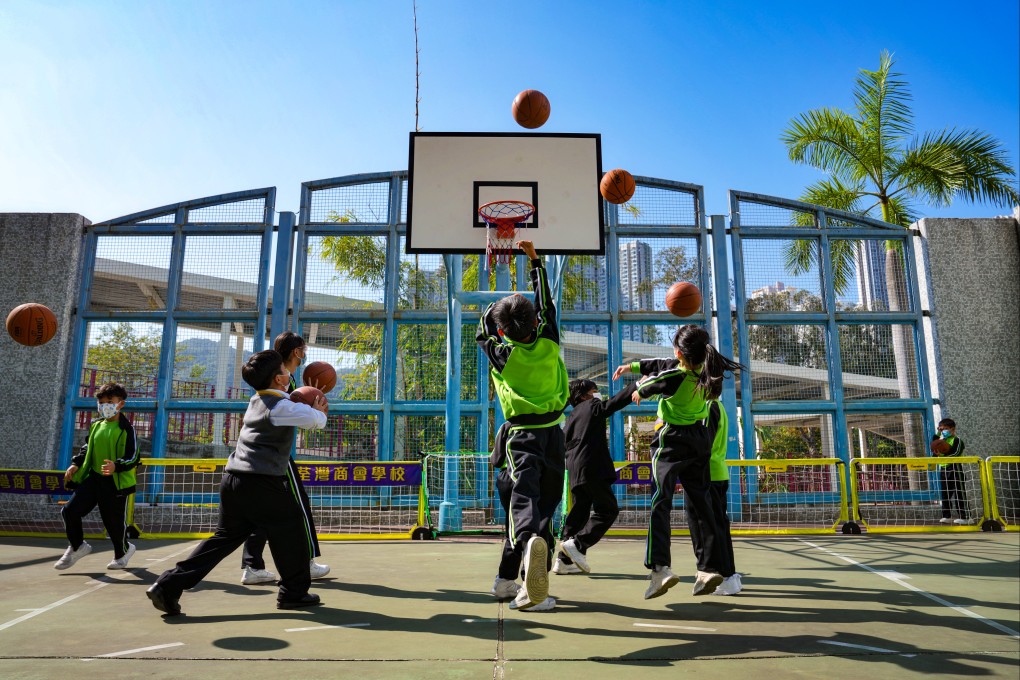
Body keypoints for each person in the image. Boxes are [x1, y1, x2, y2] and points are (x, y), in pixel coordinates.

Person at [146, 350, 328, 616]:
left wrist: (306, 393)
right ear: (279, 379)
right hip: (261, 483)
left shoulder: (257, 399)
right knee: (292, 530)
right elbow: (315, 421)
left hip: (233, 480)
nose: (290, 374)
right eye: (286, 371)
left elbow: (291, 401)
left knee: (224, 538)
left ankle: (169, 584)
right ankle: (294, 593)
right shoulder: (281, 407)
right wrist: (319, 408)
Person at [612, 324, 742, 600]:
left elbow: (650, 383)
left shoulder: (674, 376)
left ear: (680, 353)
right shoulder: (708, 371)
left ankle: (660, 568)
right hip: (698, 441)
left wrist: (639, 390)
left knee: (661, 501)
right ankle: (707, 568)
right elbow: (660, 364)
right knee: (702, 504)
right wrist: (632, 366)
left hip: (672, 439)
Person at [477, 239, 569, 611]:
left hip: (520, 437)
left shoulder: (501, 354)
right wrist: (535, 260)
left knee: (523, 510)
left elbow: (483, 330)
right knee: (544, 510)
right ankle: (510, 580)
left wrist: (495, 310)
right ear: (535, 323)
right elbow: (546, 303)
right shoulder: (549, 340)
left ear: (502, 332)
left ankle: (520, 579)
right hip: (554, 436)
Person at [240, 331, 330, 585]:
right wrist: (313, 405)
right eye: (303, 348)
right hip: (272, 459)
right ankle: (306, 562)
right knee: (298, 506)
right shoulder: (281, 381)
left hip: (252, 458)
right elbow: (303, 416)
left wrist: (309, 395)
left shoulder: (277, 378)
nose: (306, 354)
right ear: (296, 352)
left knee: (255, 516)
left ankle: (252, 565)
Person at [554, 378, 636, 575]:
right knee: (607, 510)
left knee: (579, 512)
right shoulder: (591, 406)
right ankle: (579, 544)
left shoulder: (572, 416)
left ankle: (563, 560)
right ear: (583, 396)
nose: (597, 395)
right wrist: (637, 386)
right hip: (592, 468)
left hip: (575, 471)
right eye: (594, 391)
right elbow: (614, 403)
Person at [54, 382, 139, 571]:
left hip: (115, 483)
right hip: (93, 479)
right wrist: (76, 464)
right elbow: (87, 448)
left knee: (113, 523)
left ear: (120, 404)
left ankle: (123, 552)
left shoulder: (127, 429)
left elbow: (133, 457)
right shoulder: (96, 425)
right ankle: (78, 546)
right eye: (101, 402)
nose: (104, 406)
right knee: (70, 511)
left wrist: (116, 466)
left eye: (110, 401)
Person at [705, 395, 740, 595]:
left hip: (710, 474)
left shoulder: (709, 407)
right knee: (718, 526)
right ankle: (729, 575)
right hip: (717, 472)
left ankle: (726, 575)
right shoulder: (717, 406)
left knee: (715, 528)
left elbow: (705, 444)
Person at [932, 418, 969, 525]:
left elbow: (955, 454)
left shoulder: (957, 440)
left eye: (946, 429)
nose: (944, 431)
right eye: (942, 429)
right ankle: (946, 516)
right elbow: (933, 445)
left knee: (959, 494)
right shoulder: (941, 441)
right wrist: (938, 432)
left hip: (955, 468)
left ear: (953, 429)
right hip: (943, 470)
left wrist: (942, 455)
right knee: (945, 495)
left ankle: (966, 517)